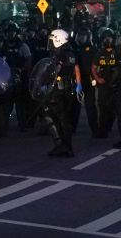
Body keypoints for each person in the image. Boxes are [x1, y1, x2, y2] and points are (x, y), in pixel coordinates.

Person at [34, 28, 80, 157]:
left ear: (58, 40)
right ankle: (63, 146)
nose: (50, 43)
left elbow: (58, 70)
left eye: (52, 40)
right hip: (60, 89)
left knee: (58, 118)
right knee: (57, 117)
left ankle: (64, 146)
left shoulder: (63, 54)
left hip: (60, 90)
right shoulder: (65, 52)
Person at [91, 29, 118, 139]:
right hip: (103, 84)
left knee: (113, 107)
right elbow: (93, 68)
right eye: (106, 38)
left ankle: (109, 125)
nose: (108, 40)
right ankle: (103, 130)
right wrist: (97, 78)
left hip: (114, 84)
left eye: (109, 38)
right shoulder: (99, 53)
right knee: (102, 107)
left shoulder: (117, 53)